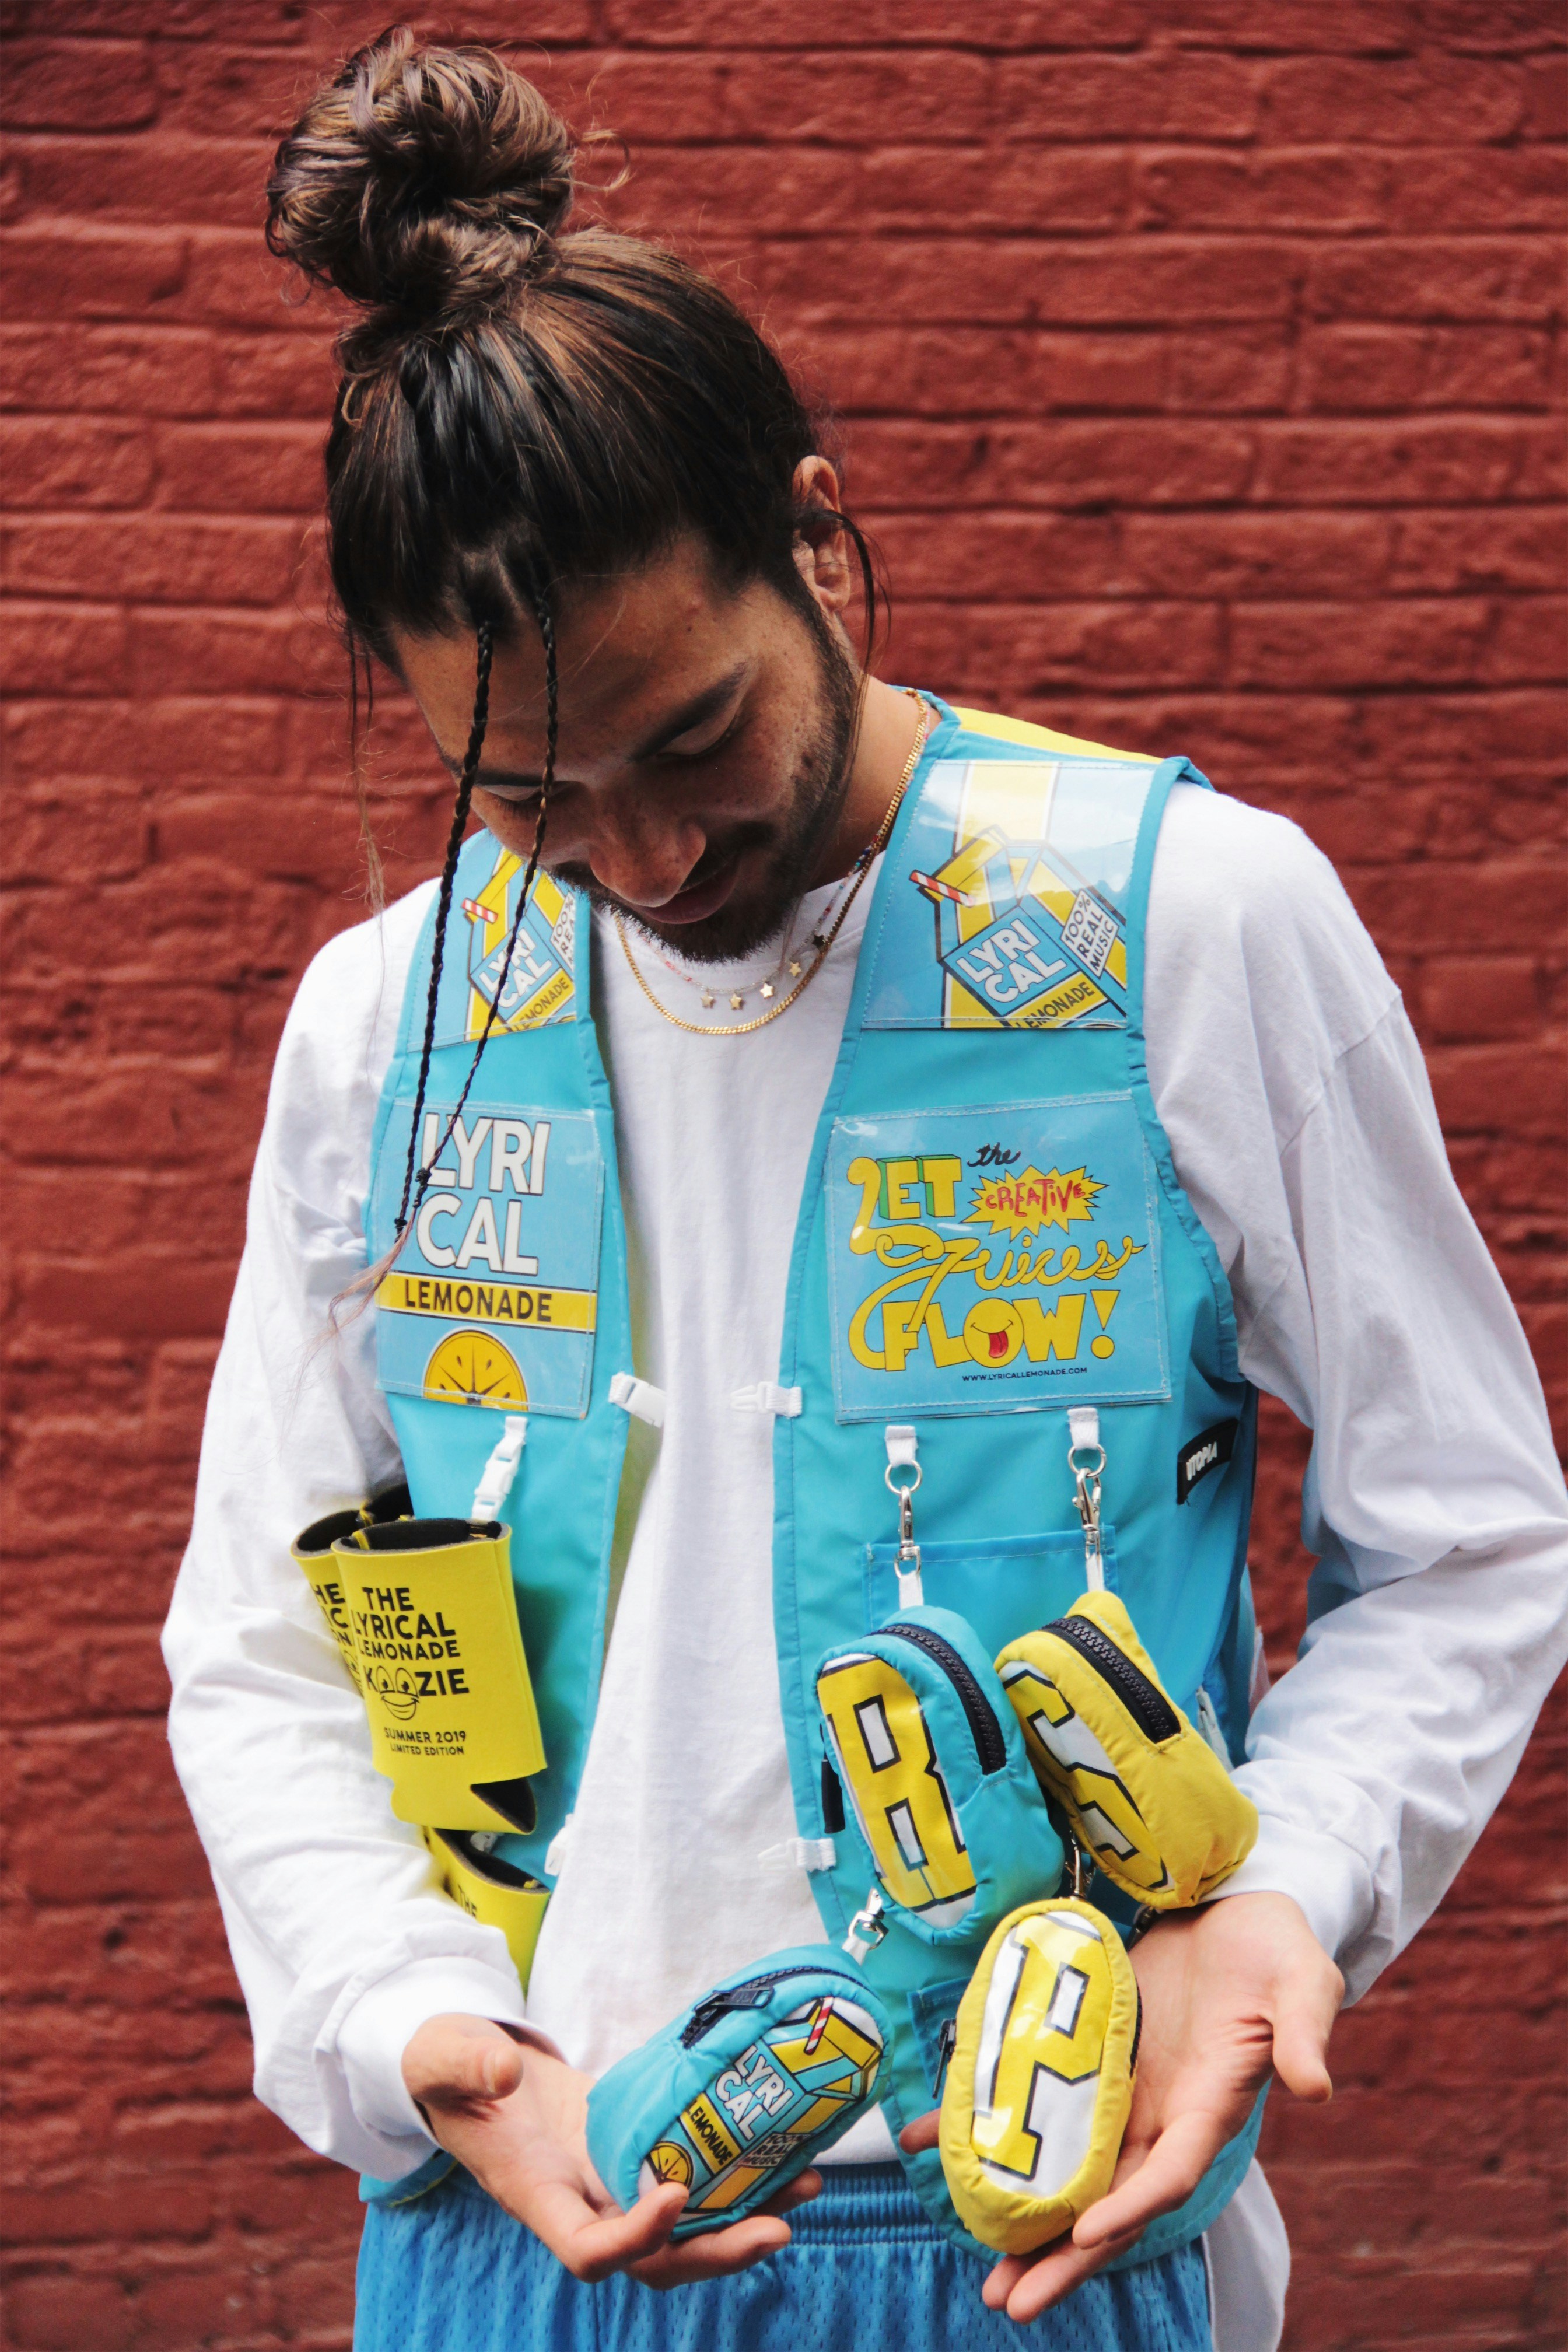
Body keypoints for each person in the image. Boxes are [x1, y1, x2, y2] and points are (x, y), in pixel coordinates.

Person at [162, 29, 1568, 2352]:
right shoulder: (385, 1019)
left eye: (693, 733)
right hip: (518, 2198)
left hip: (1045, 2225)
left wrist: (1290, 1886)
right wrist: (406, 2020)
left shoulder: (1187, 920)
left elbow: (1472, 1534)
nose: (640, 858)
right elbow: (274, 1626)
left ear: (821, 538)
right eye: (527, 801)